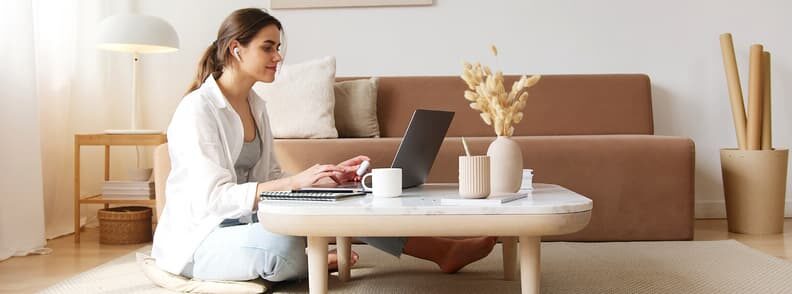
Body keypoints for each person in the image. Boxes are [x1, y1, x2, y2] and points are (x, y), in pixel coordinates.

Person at [151, 8, 496, 282]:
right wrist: (295, 183)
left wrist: (323, 179)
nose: (278, 56)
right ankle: (310, 258)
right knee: (282, 245)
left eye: (278, 47)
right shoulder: (198, 109)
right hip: (201, 238)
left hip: (248, 221)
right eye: (268, 47)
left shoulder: (256, 105)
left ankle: (443, 251)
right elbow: (214, 199)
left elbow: (271, 176)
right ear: (235, 49)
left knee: (347, 202)